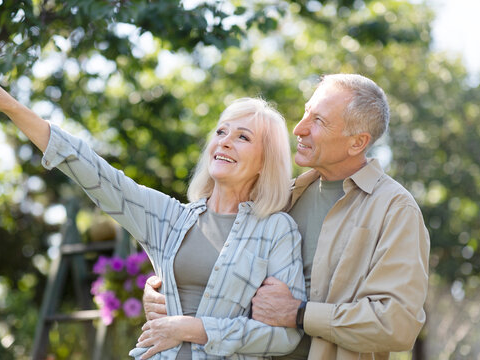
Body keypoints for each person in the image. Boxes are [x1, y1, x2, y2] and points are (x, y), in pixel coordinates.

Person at [0, 47, 306, 360]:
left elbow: (284, 336)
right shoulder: (171, 218)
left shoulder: (277, 230)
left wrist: (193, 328)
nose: (225, 142)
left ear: (265, 161)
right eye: (221, 132)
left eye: (242, 137)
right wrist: (7, 104)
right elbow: (90, 169)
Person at [143, 74, 430, 360]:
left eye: (318, 121)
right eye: (306, 112)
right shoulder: (279, 198)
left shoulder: (395, 210)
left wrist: (299, 314)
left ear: (357, 143)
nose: (299, 129)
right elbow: (216, 266)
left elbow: (397, 324)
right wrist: (162, 290)